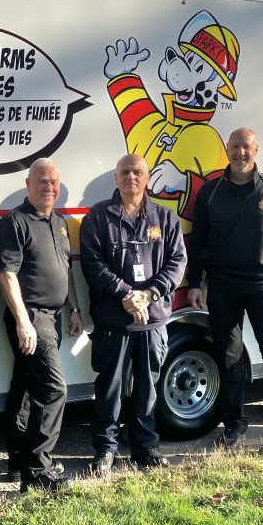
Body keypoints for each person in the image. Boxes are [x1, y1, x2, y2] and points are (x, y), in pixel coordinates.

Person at [187, 127, 263, 456]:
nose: (241, 153)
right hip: (222, 286)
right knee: (230, 358)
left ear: (256, 150)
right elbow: (198, 243)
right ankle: (234, 426)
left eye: (246, 147)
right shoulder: (210, 193)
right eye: (235, 147)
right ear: (227, 150)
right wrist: (195, 282)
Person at [79, 153, 187, 477]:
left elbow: (177, 262)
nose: (131, 177)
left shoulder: (165, 219)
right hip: (114, 320)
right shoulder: (98, 218)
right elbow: (92, 263)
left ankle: (145, 447)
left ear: (147, 176)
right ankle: (106, 450)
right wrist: (125, 293)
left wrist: (149, 294)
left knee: (148, 387)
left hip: (153, 320)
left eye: (137, 172)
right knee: (109, 388)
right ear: (116, 178)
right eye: (124, 172)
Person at [0, 158, 83, 492]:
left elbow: (66, 270)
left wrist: (74, 308)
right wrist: (22, 320)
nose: (49, 187)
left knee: (27, 386)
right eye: (42, 181)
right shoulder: (15, 223)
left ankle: (19, 461)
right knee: (54, 389)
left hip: (54, 316)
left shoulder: (59, 222)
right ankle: (39, 467)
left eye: (54, 182)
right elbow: (5, 274)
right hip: (31, 317)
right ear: (28, 184)